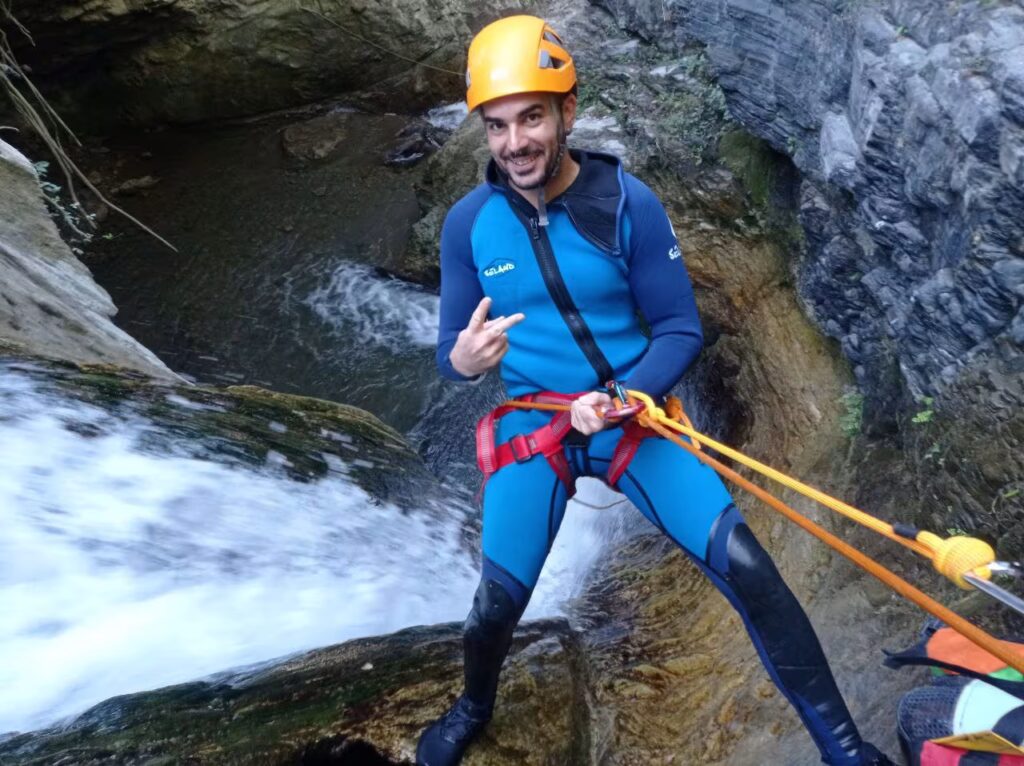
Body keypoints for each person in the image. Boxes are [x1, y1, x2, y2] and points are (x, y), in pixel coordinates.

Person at [417, 15, 894, 766]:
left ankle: (844, 746)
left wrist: (619, 396)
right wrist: (467, 361)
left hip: (632, 419)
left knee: (748, 568)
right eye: (499, 125)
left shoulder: (625, 203)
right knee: (493, 608)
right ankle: (473, 704)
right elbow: (452, 354)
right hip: (536, 427)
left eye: (533, 117)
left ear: (566, 111)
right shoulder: (467, 227)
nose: (516, 144)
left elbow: (678, 328)